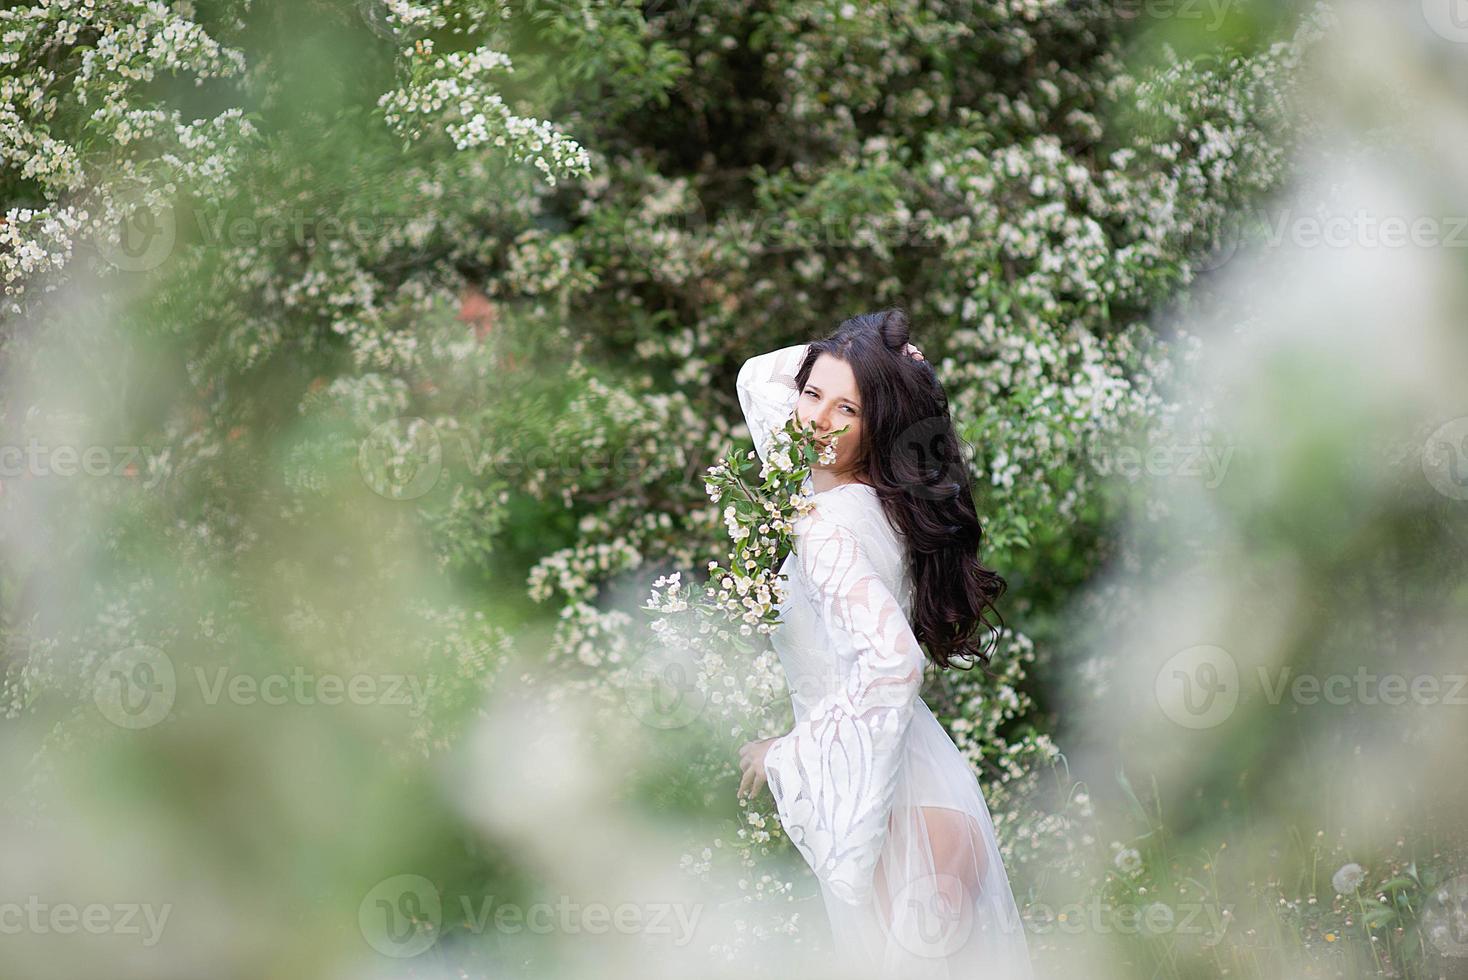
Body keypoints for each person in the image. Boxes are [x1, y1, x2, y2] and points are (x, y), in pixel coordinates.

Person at [732, 308, 1035, 979]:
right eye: (811, 394)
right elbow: (756, 378)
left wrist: (791, 751)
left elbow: (894, 663)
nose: (815, 421)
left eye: (849, 409)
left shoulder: (824, 524)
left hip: (901, 818)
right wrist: (875, 359)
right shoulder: (861, 491)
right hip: (920, 794)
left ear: (881, 423)